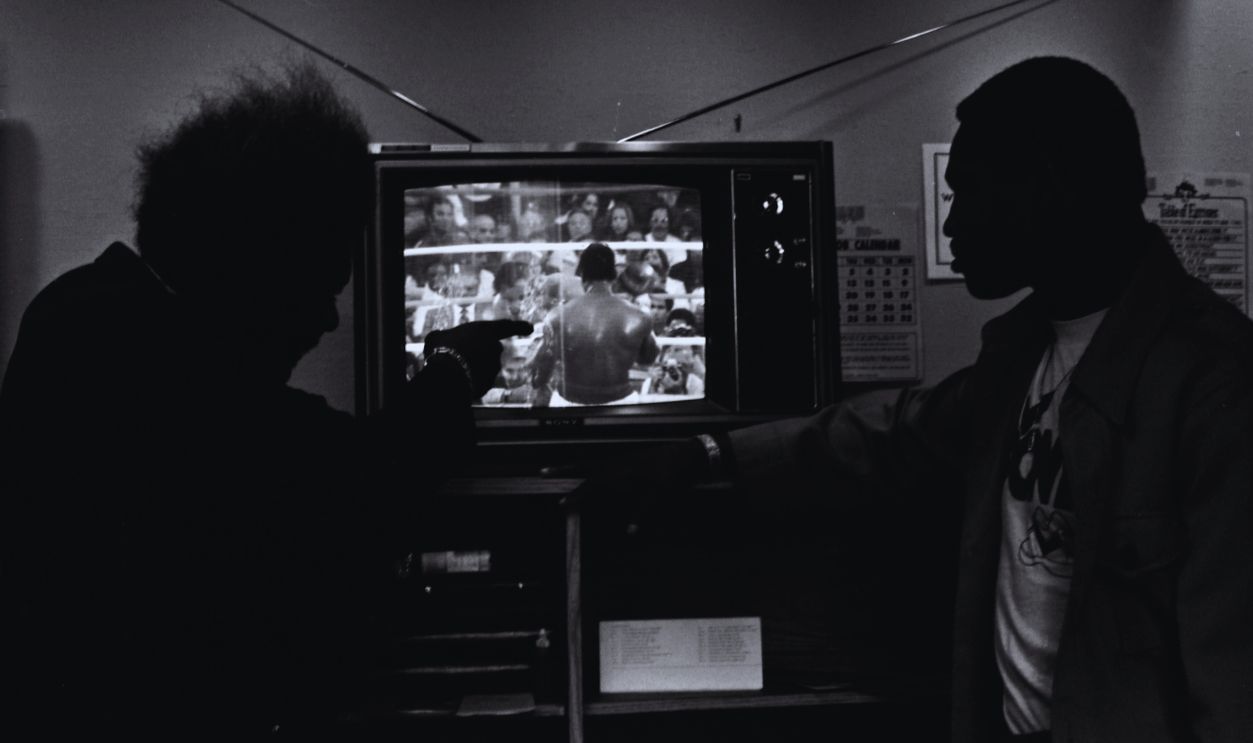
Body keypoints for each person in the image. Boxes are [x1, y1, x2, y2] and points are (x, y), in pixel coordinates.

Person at [603, 57, 1253, 743]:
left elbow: (1233, 691)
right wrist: (708, 451)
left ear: (1049, 187)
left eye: (967, 194)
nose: (951, 228)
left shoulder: (1217, 386)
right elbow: (892, 431)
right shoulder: (1024, 352)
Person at [0, 63, 532, 736]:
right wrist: (454, 364)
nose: (331, 320)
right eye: (322, 284)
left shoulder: (79, 309)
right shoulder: (156, 369)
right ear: (257, 265)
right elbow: (363, 476)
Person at [531, 243, 659, 406]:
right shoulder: (639, 316)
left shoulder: (558, 315)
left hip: (570, 404)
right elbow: (647, 359)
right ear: (613, 276)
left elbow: (539, 375)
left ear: (582, 275)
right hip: (621, 402)